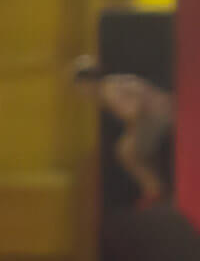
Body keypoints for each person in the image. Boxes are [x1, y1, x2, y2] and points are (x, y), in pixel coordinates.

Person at [70, 55, 174, 207]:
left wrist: (130, 132)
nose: (81, 92)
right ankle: (156, 189)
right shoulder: (111, 84)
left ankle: (155, 191)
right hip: (158, 112)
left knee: (127, 151)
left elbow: (134, 111)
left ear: (87, 82)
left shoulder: (109, 90)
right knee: (130, 148)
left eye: (81, 86)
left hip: (160, 114)